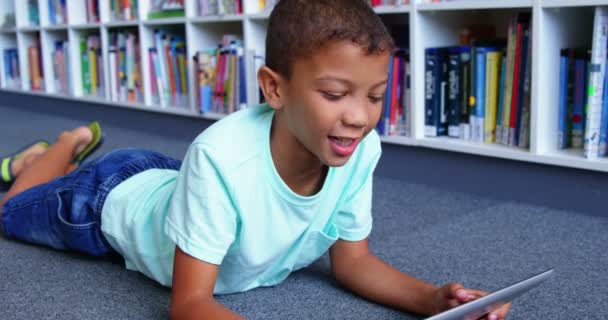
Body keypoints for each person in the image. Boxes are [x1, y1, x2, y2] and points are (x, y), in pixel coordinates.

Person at [0, 1, 511, 319]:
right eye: (335, 93)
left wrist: (432, 300)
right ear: (274, 88)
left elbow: (353, 262)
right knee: (10, 211)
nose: (359, 117)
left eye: (376, 95)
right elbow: (190, 304)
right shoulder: (221, 157)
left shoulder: (360, 150)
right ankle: (60, 148)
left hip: (169, 184)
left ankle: (62, 159)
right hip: (103, 202)